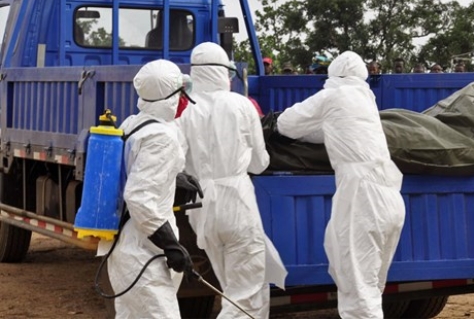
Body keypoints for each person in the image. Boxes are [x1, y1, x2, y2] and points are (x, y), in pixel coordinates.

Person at [276, 51, 405, 319]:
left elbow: (286, 124)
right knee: (371, 287)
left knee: (359, 291)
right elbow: (333, 130)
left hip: (362, 198)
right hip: (390, 196)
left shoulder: (333, 95)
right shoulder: (366, 100)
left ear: (333, 74)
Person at [177, 42, 286, 318]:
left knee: (233, 287)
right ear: (224, 72)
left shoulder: (186, 113)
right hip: (236, 205)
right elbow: (260, 164)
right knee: (245, 295)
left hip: (202, 211)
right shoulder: (241, 105)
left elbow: (178, 164)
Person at [107, 59, 198, 319]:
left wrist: (173, 177)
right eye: (180, 92)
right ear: (168, 97)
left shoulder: (135, 123)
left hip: (129, 246)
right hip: (142, 252)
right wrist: (170, 244)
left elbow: (133, 169)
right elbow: (138, 196)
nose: (184, 98)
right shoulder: (161, 137)